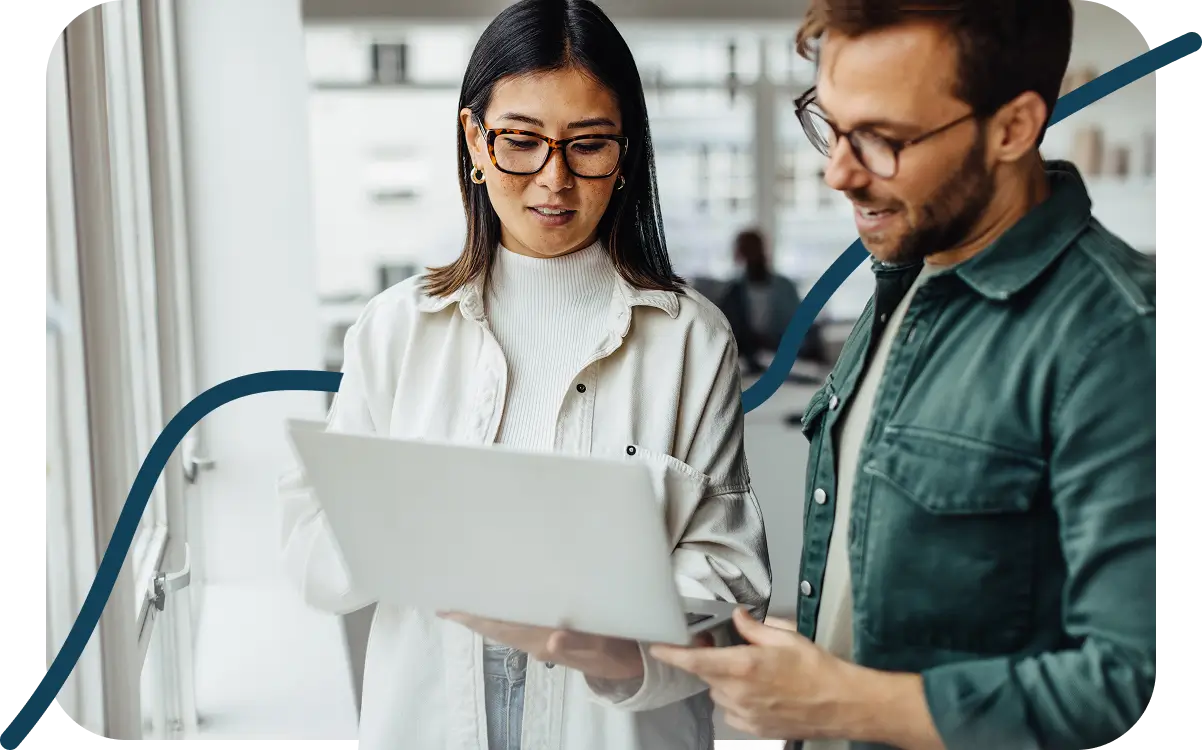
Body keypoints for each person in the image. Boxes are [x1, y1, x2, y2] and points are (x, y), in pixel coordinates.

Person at [650, 2, 1158, 750]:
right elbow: (887, 612)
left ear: (1013, 128)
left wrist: (837, 703)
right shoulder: (905, 283)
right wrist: (773, 675)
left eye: (883, 140)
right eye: (829, 122)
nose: (837, 172)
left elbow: (1129, 686)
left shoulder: (1118, 337)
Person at [276, 1, 772, 749]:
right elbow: (314, 562)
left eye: (588, 145)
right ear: (475, 141)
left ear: (626, 152)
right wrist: (412, 519)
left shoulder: (691, 340)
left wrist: (613, 644)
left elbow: (731, 579)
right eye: (520, 141)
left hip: (613, 720)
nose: (554, 179)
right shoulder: (395, 330)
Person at [717, 229, 827, 375]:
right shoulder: (733, 291)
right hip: (749, 358)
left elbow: (798, 327)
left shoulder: (784, 286)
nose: (751, 256)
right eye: (745, 250)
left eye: (753, 249)